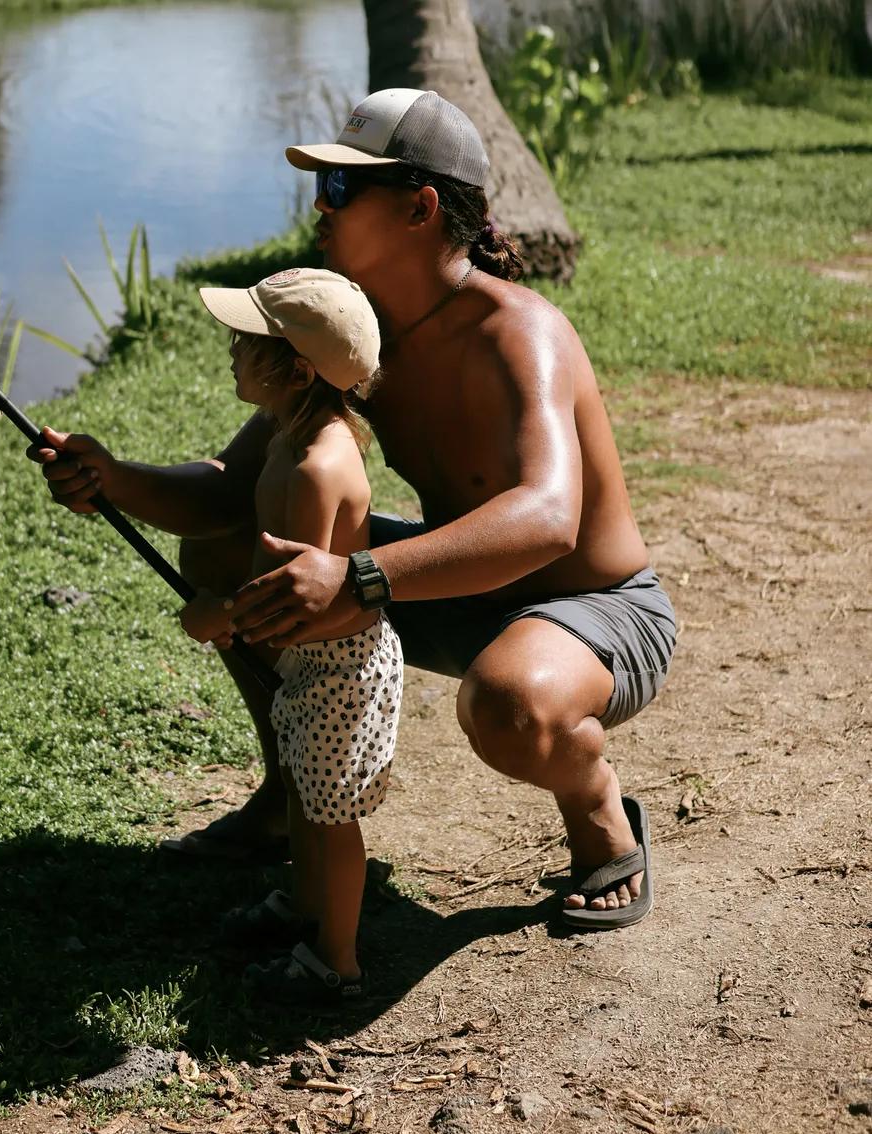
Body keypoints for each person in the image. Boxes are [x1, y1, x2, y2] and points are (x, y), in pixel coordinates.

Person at [34, 87, 675, 933]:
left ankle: (597, 815)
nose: (317, 207)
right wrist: (112, 477)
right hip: (455, 588)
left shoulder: (518, 332)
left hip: (595, 609)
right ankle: (289, 795)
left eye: (339, 189)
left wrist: (360, 578)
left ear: (419, 207)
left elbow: (547, 516)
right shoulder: (354, 335)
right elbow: (231, 487)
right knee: (236, 551)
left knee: (508, 703)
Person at [176, 268, 402, 1003]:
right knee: (308, 797)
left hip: (338, 666)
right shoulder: (285, 433)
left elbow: (293, 600)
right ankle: (306, 905)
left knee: (330, 816)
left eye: (247, 340)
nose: (230, 349)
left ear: (296, 369)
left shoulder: (314, 467)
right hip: (314, 666)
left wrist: (218, 614)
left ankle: (335, 961)